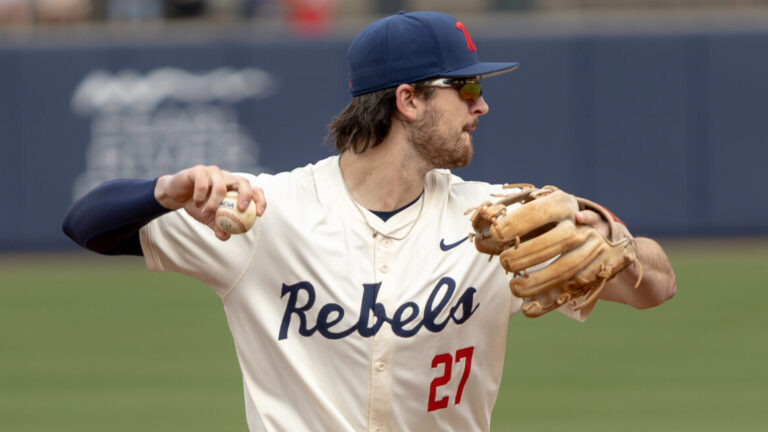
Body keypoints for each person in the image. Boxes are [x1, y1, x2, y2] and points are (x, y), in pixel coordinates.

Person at [62, 11, 676, 432]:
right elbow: (87, 225)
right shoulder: (268, 214)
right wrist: (163, 190)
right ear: (408, 101)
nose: (481, 104)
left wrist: (612, 238)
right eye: (463, 89)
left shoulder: (497, 220)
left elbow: (657, 286)